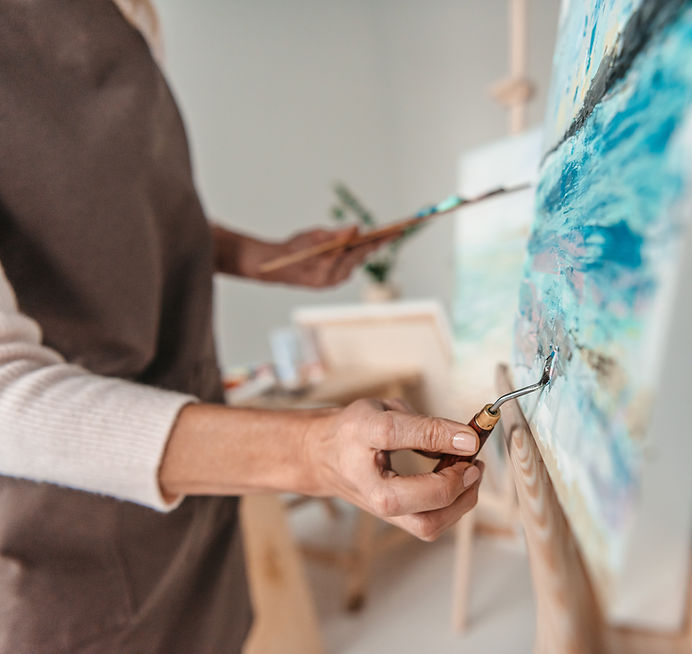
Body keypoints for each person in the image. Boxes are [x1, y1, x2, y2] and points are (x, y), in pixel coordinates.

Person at [0, 1, 482, 652]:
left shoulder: (132, 15)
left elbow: (127, 213)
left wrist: (264, 258)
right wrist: (311, 453)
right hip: (70, 541)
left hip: (200, 493)